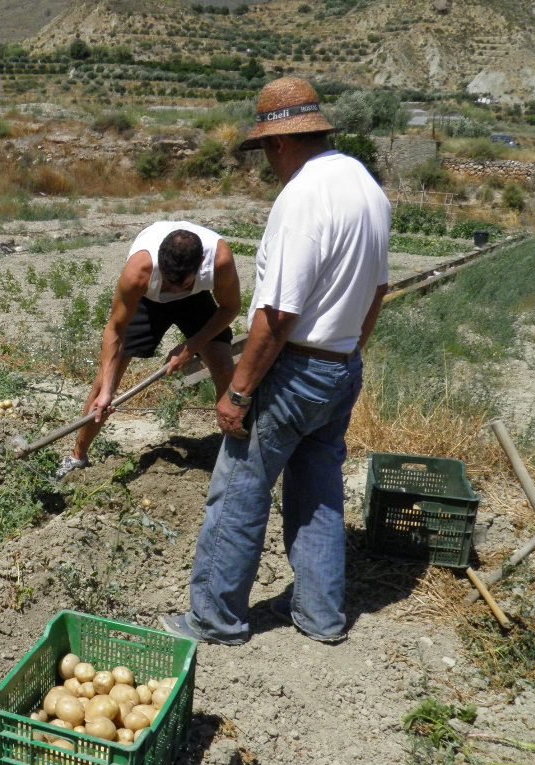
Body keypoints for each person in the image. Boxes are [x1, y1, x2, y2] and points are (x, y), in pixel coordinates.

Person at [161, 76, 392, 646]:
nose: (269, 162)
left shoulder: (303, 197)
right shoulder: (367, 186)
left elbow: (276, 315)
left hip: (294, 370)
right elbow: (378, 290)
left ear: (280, 142)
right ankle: (322, 617)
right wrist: (347, 353)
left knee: (239, 489)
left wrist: (238, 392)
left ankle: (215, 618)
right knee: (317, 494)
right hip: (340, 368)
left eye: (266, 150)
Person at [55, 221, 242, 479]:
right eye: (168, 282)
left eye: (181, 284)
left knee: (223, 366)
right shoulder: (139, 270)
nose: (173, 290)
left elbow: (231, 307)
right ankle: (77, 457)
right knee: (102, 386)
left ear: (200, 266)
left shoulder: (219, 260)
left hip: (195, 301)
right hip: (148, 300)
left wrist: (191, 347)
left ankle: (235, 453)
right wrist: (108, 389)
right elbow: (115, 329)